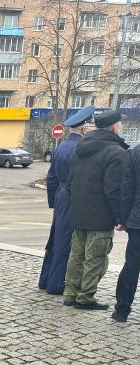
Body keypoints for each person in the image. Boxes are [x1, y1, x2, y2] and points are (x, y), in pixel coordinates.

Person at [63, 109, 129, 310]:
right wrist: (119, 216)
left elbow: (70, 183)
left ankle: (70, 294)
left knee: (76, 256)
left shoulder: (82, 147)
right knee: (96, 259)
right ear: (115, 127)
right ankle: (85, 298)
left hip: (79, 213)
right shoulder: (115, 152)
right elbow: (113, 190)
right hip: (100, 217)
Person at [38, 106, 95, 295]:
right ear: (85, 129)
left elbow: (51, 177)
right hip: (72, 197)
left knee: (55, 240)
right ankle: (56, 284)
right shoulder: (81, 149)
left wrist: (54, 202)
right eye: (92, 126)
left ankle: (46, 279)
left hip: (61, 196)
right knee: (66, 242)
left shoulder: (61, 146)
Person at [114, 139, 140, 322]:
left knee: (131, 265)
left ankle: (122, 310)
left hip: (138, 219)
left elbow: (127, 187)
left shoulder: (137, 151)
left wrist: (123, 218)